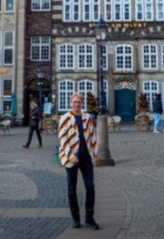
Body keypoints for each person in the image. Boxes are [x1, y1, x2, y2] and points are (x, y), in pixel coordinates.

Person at [58, 93, 99, 230]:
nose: (76, 104)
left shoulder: (87, 117)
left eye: (79, 102)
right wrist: (71, 156)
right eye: (74, 102)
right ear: (70, 103)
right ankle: (76, 218)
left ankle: (89, 217)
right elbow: (62, 140)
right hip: (72, 159)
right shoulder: (65, 118)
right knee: (71, 189)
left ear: (82, 103)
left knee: (90, 186)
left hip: (86, 157)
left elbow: (92, 135)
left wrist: (95, 153)